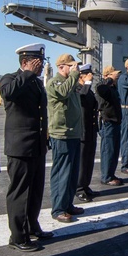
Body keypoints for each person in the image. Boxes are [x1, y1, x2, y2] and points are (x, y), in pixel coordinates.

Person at [0, 43, 52, 253]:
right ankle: (18, 235)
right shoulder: (11, 78)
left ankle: (32, 226)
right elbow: (9, 93)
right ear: (25, 62)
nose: (40, 66)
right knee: (20, 191)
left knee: (36, 189)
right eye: (37, 62)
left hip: (37, 144)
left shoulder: (37, 83)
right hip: (20, 146)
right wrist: (28, 74)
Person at [46, 53, 83, 223]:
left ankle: (67, 204)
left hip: (73, 132)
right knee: (62, 172)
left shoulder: (71, 82)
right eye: (71, 66)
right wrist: (75, 76)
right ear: (61, 66)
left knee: (72, 173)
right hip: (61, 133)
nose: (75, 68)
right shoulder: (55, 82)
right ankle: (58, 208)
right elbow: (62, 93)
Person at [95, 66, 123, 186]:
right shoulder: (103, 87)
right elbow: (101, 90)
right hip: (108, 123)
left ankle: (111, 174)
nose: (116, 76)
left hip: (115, 122)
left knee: (114, 151)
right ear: (107, 75)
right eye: (114, 74)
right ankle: (106, 176)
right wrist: (108, 81)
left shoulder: (113, 88)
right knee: (108, 151)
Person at [77, 64, 99, 202]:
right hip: (82, 130)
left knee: (89, 160)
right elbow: (81, 100)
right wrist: (88, 83)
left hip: (90, 130)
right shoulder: (78, 89)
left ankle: (85, 185)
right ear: (81, 76)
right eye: (88, 75)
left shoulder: (88, 90)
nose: (91, 77)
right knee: (82, 161)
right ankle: (79, 188)